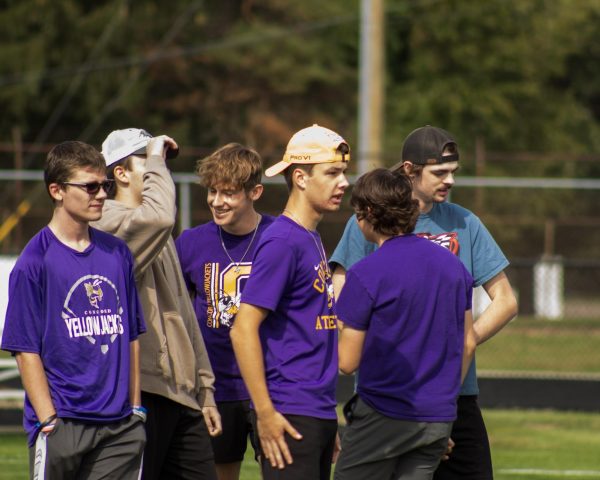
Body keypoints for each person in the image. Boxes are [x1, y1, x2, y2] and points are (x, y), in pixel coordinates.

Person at [330, 125, 518, 480]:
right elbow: (343, 286)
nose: (449, 181)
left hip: (452, 392)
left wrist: (456, 347)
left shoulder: (465, 221)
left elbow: (505, 301)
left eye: (453, 173)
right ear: (409, 170)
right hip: (387, 394)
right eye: (439, 172)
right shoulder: (368, 222)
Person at [1, 141, 147, 479]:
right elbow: (24, 349)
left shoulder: (117, 253)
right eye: (90, 186)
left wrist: (136, 409)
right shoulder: (34, 261)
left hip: (120, 427)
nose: (101, 195)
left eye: (105, 185)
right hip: (63, 423)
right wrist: (49, 420)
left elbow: (132, 335)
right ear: (57, 191)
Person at [93, 128, 221, 480]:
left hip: (182, 395)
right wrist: (155, 155)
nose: (158, 168)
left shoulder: (159, 236)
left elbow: (183, 313)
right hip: (141, 391)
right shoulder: (106, 223)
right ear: (120, 173)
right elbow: (160, 216)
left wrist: (204, 389)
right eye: (148, 161)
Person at [333, 168, 476, 480]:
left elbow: (346, 362)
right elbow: (468, 342)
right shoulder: (453, 267)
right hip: (437, 418)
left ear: (368, 213)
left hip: (383, 412)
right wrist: (441, 407)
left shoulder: (366, 273)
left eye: (358, 213)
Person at [230, 124, 350, 479]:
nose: (343, 182)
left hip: (316, 412)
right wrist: (265, 414)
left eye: (342, 173)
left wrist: (327, 420)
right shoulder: (282, 241)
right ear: (300, 177)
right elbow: (243, 329)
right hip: (289, 412)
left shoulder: (309, 237)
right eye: (332, 173)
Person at [175, 143, 275, 480]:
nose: (217, 201)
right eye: (212, 191)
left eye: (229, 193)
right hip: (215, 388)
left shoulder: (280, 238)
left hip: (272, 384)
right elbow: (176, 316)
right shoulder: (190, 243)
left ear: (255, 192)